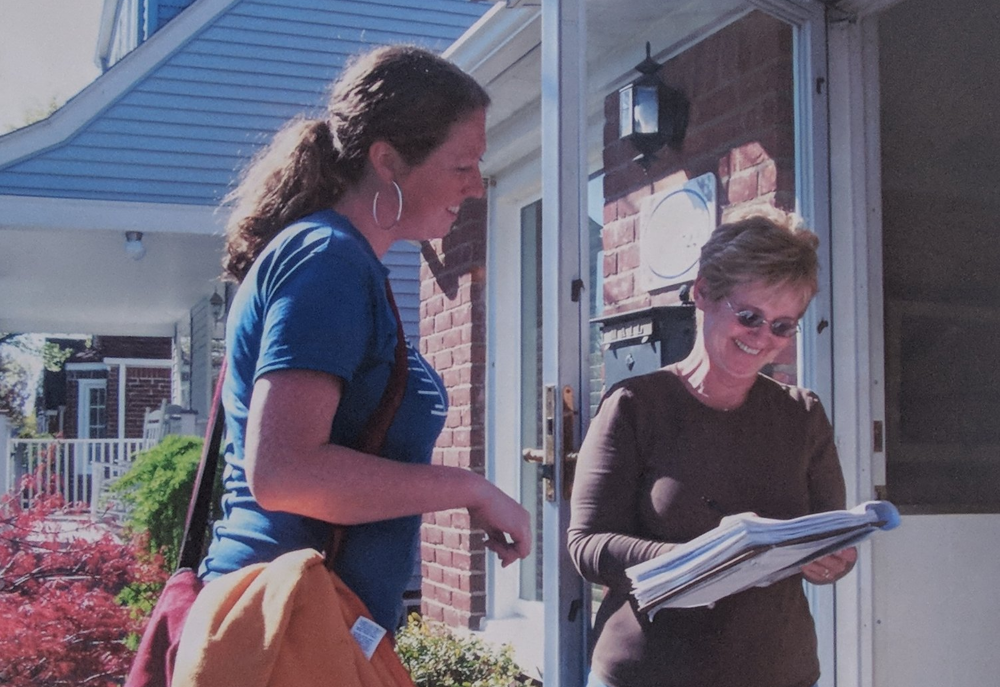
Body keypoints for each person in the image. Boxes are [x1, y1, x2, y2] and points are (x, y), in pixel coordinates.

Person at [198, 44, 531, 633]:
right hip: (285, 635)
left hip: (312, 626)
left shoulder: (340, 261)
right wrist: (469, 489)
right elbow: (284, 473)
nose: (477, 187)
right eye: (461, 165)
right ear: (387, 160)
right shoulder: (328, 260)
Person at [568, 211, 857, 687]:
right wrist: (699, 562)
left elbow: (828, 538)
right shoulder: (635, 405)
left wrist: (831, 563)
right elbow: (587, 545)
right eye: (749, 316)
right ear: (702, 292)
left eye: (783, 326)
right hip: (649, 672)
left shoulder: (802, 415)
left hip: (779, 671)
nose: (764, 338)